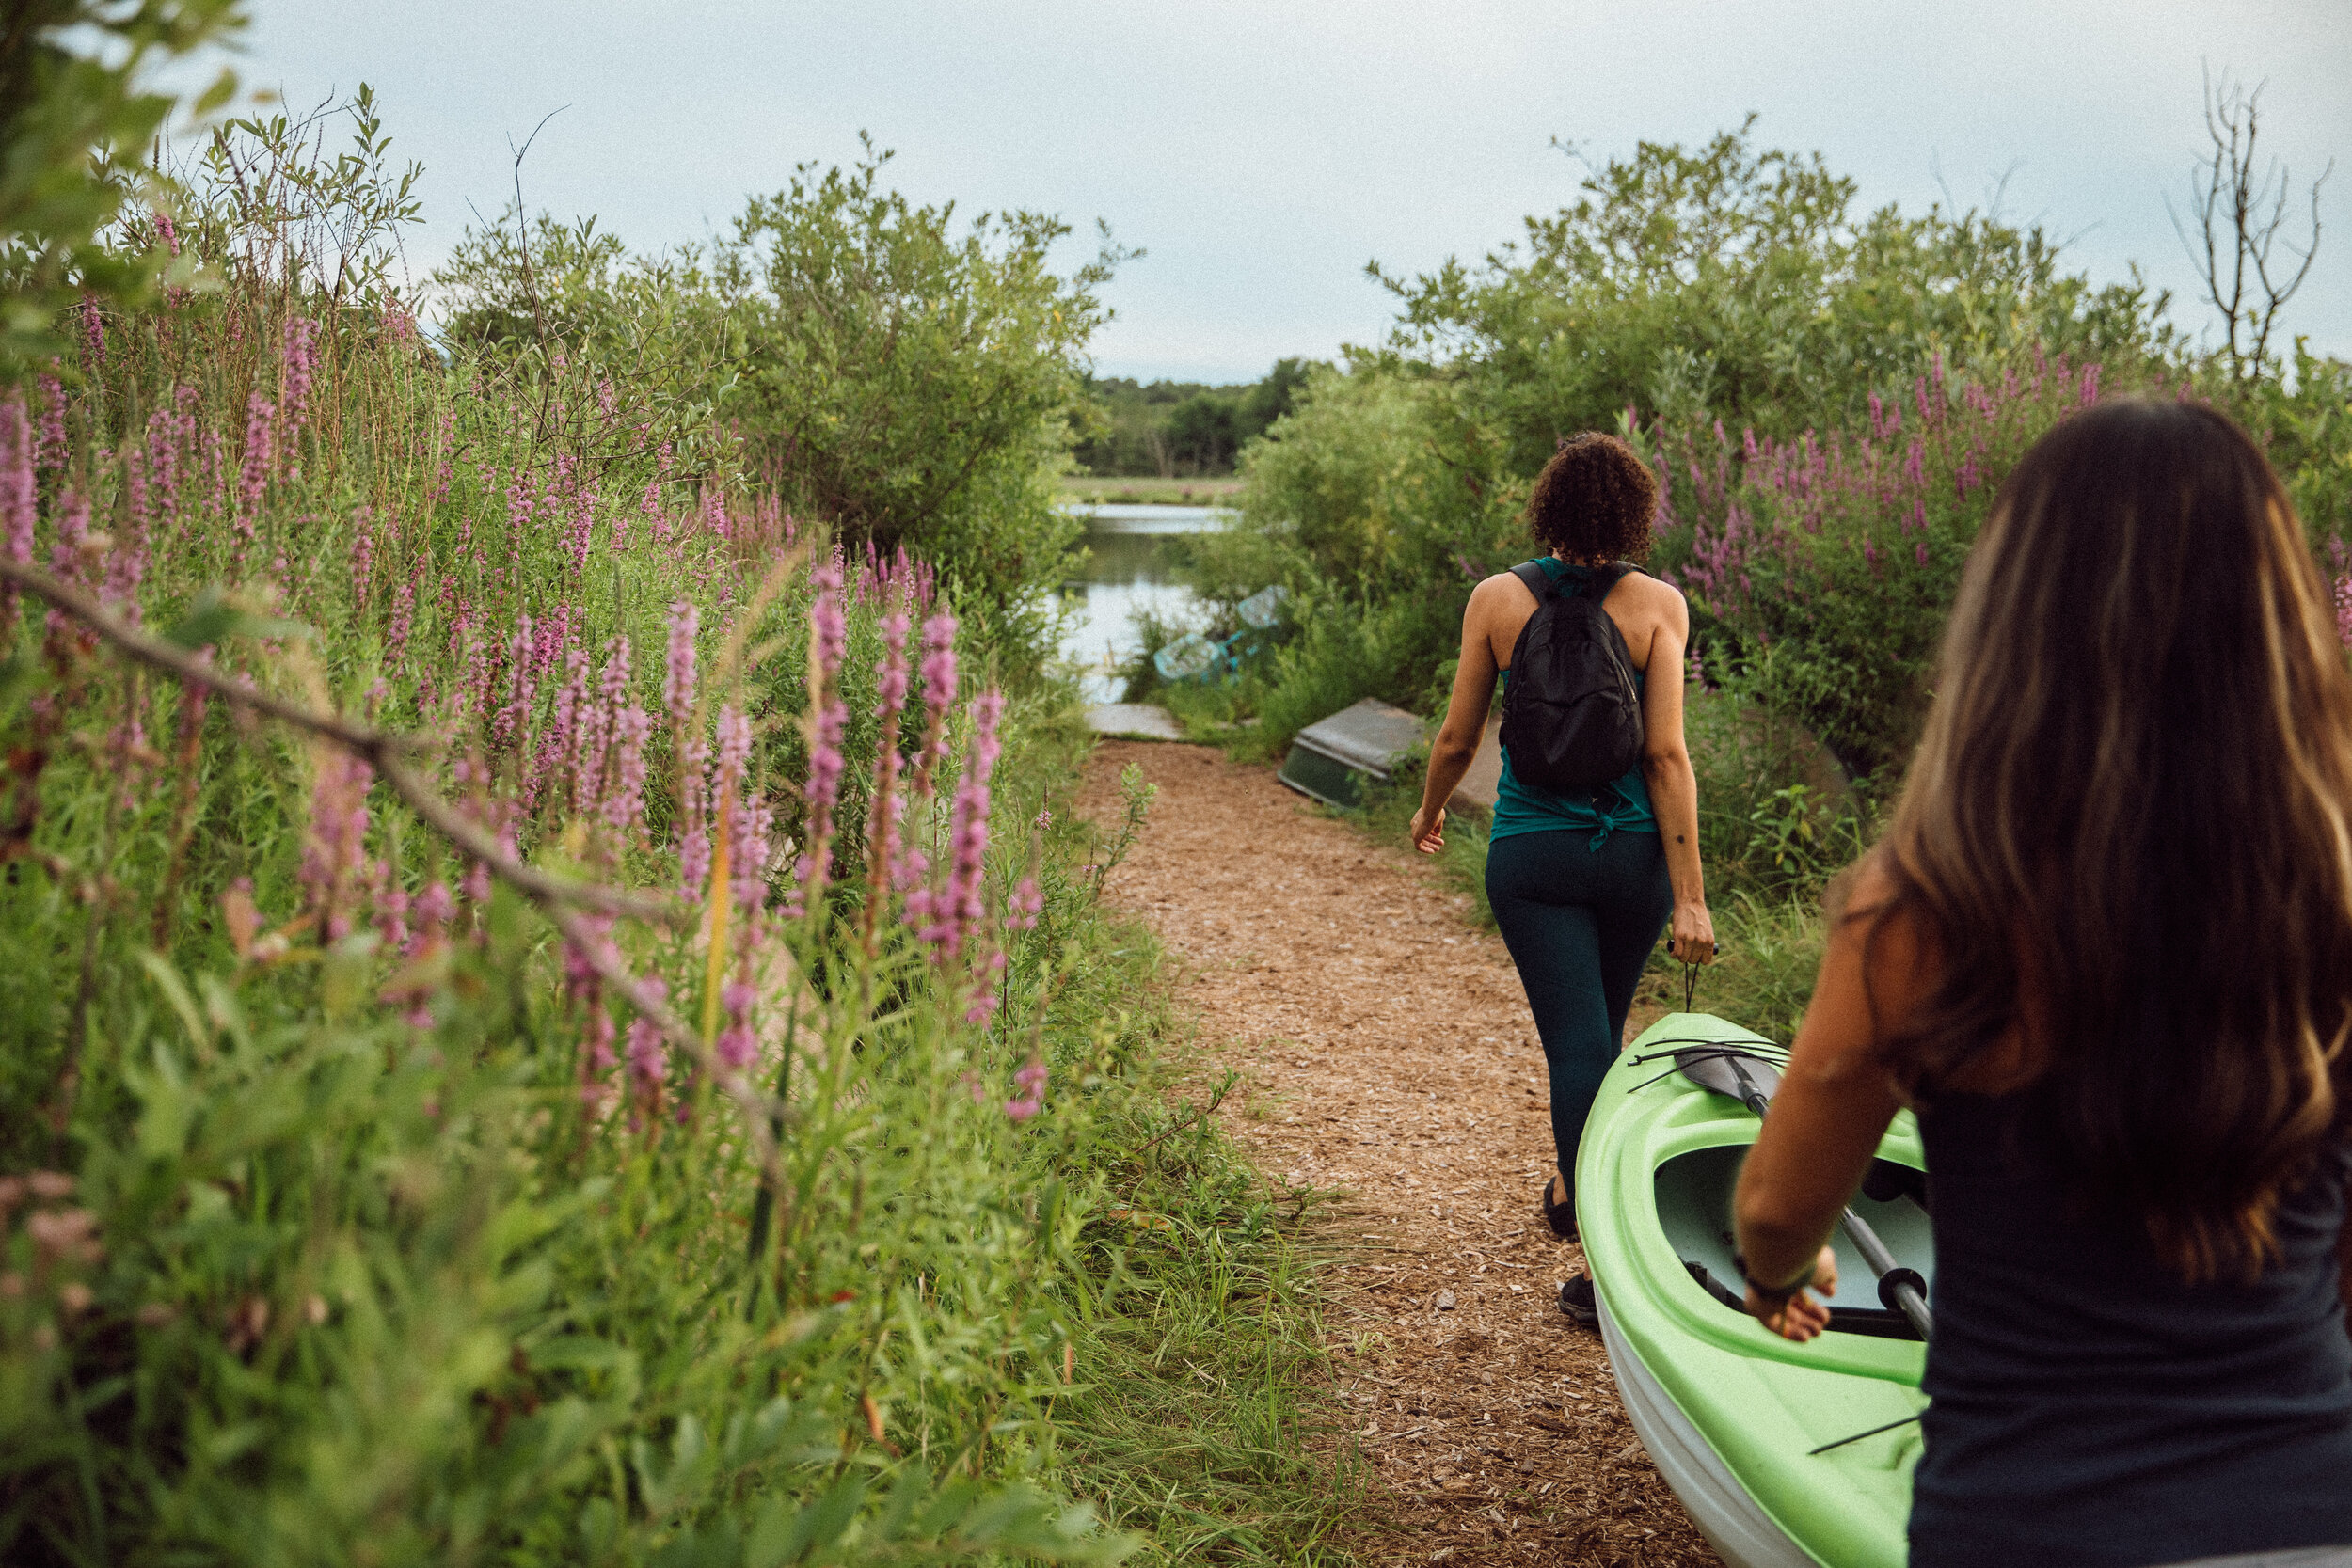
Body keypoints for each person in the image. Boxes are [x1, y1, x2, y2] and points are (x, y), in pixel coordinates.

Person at [1731, 398, 2352, 1566]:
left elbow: (1773, 1206)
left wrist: (1777, 1278)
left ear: (2014, 618)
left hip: (2026, 1519)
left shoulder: (1924, 908)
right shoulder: (2332, 893)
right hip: (2312, 1513)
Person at [1410, 432, 1715, 1326]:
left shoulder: (1498, 599)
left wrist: (1430, 811)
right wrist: (1690, 893)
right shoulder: (1660, 605)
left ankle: (1601, 1262)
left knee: (1580, 1047)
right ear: (1634, 514)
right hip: (1632, 858)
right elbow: (1666, 756)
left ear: (1545, 506)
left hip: (1535, 855)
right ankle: (1572, 1183)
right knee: (1600, 1034)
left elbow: (1460, 738)